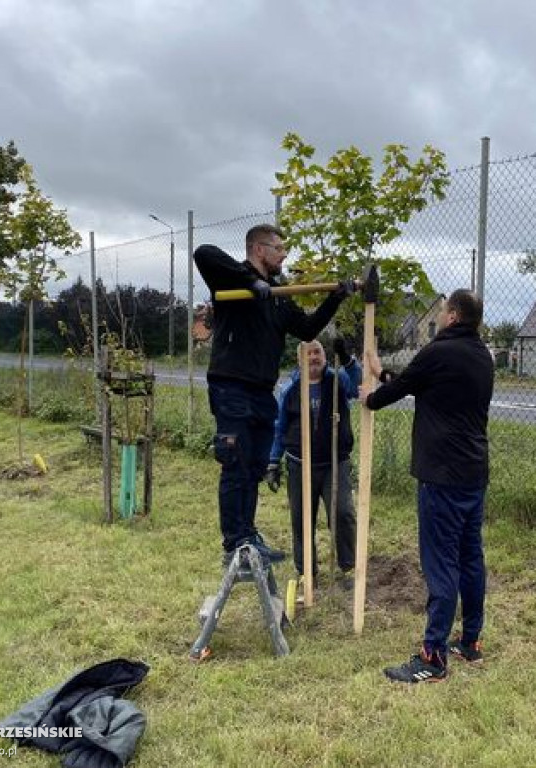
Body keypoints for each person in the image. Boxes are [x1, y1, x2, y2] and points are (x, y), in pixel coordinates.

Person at [193, 224, 353, 566]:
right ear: (259, 250)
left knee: (253, 468)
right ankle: (234, 540)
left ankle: (248, 535)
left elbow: (308, 329)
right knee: (235, 465)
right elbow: (203, 252)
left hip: (262, 393)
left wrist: (336, 297)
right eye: (279, 248)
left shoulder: (278, 297)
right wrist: (252, 283)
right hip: (231, 387)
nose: (284, 255)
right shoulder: (232, 280)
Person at [361, 289, 494, 683]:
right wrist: (384, 372)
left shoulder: (439, 351)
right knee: (470, 558)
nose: (437, 321)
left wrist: (370, 397)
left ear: (452, 315)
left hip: (441, 476)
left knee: (441, 565)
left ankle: (433, 657)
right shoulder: (481, 356)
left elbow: (394, 393)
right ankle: (470, 641)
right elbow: (419, 383)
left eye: (440, 314)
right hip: (473, 473)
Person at [266, 338, 360, 582]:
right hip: (300, 463)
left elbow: (358, 383)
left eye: (317, 352)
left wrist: (348, 359)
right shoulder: (290, 390)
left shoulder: (338, 380)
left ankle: (348, 567)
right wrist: (273, 462)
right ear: (300, 359)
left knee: (342, 513)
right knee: (301, 518)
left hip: (334, 463)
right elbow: (279, 427)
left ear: (325, 356)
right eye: (307, 354)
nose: (313, 357)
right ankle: (306, 572)